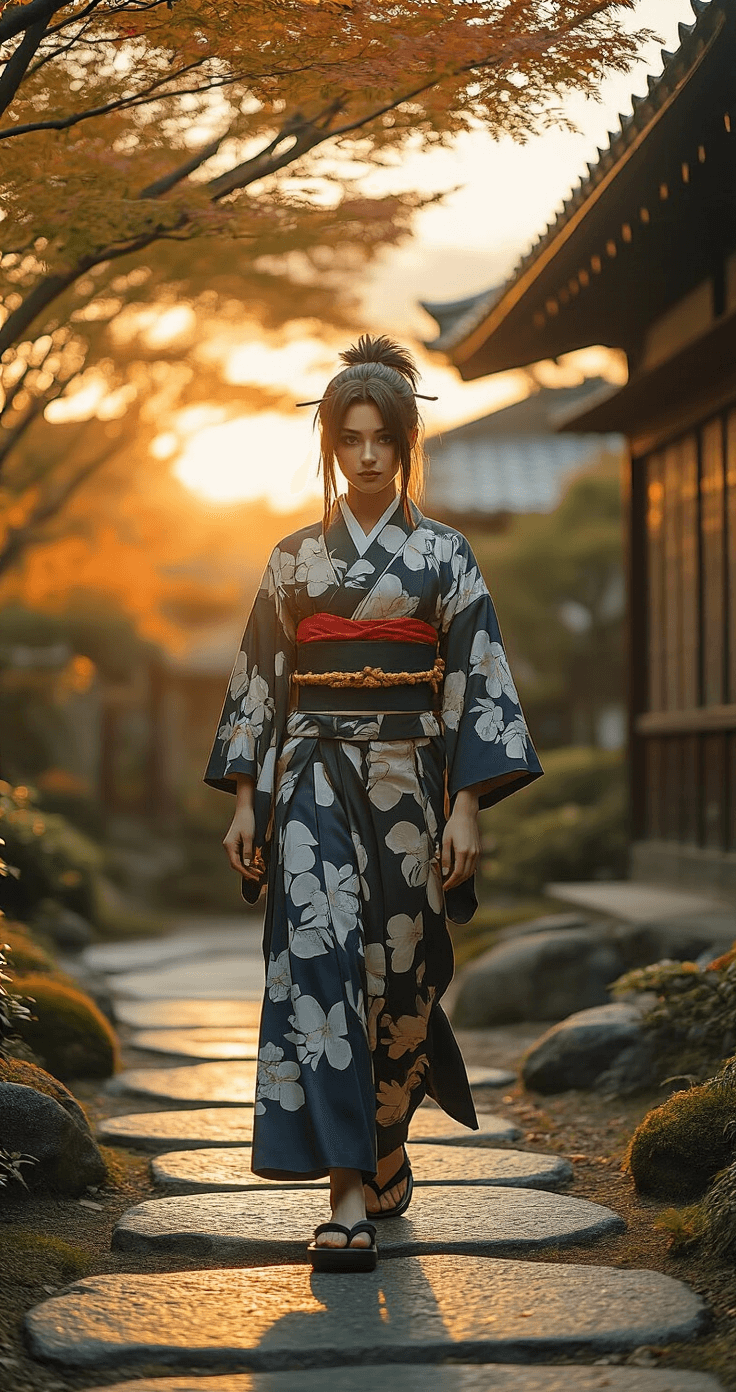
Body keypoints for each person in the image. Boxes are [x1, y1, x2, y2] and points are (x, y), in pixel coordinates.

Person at [203, 334, 542, 1271]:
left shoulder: (445, 555)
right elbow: (260, 682)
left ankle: (387, 1144)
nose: (364, 456)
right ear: (327, 445)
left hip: (408, 780)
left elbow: (477, 680)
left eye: (380, 439)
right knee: (316, 956)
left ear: (403, 444)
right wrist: (245, 800)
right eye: (347, 439)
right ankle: (345, 1194)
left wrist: (467, 804)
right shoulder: (292, 560)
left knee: (400, 978)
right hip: (309, 770)